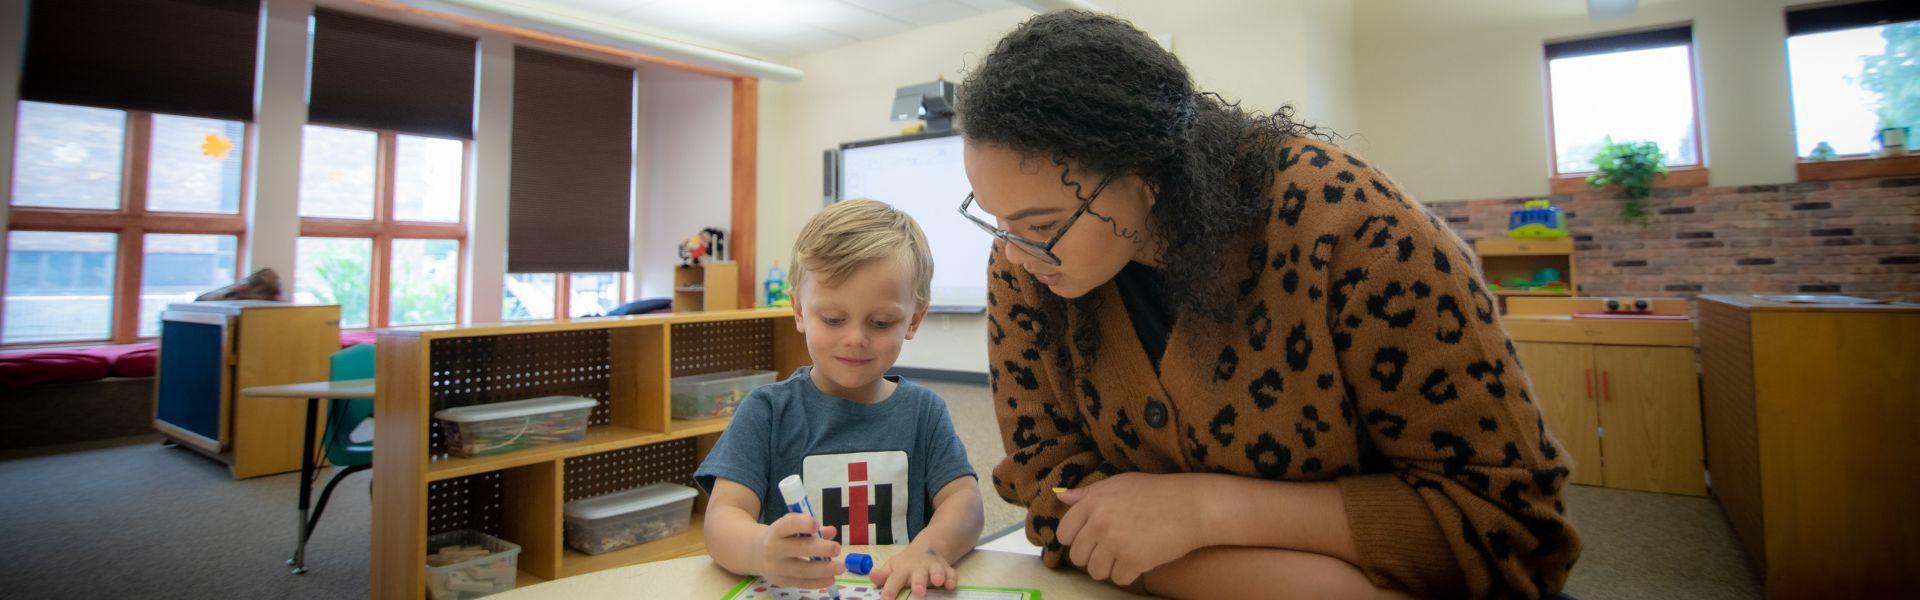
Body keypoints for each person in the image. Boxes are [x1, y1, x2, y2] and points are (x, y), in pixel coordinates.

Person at [958, 11, 1580, 600]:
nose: (1014, 254)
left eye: (1040, 222)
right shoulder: (1029, 263)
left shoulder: (1356, 231)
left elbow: (1509, 524)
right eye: (997, 222)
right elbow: (1049, 480)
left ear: (1146, 176)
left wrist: (1205, 511)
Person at [697, 199, 986, 599]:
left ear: (913, 321)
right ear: (799, 311)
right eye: (833, 319)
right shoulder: (767, 412)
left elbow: (965, 502)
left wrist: (929, 550)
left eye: (881, 322)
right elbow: (722, 519)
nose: (855, 338)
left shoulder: (924, 412)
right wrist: (761, 549)